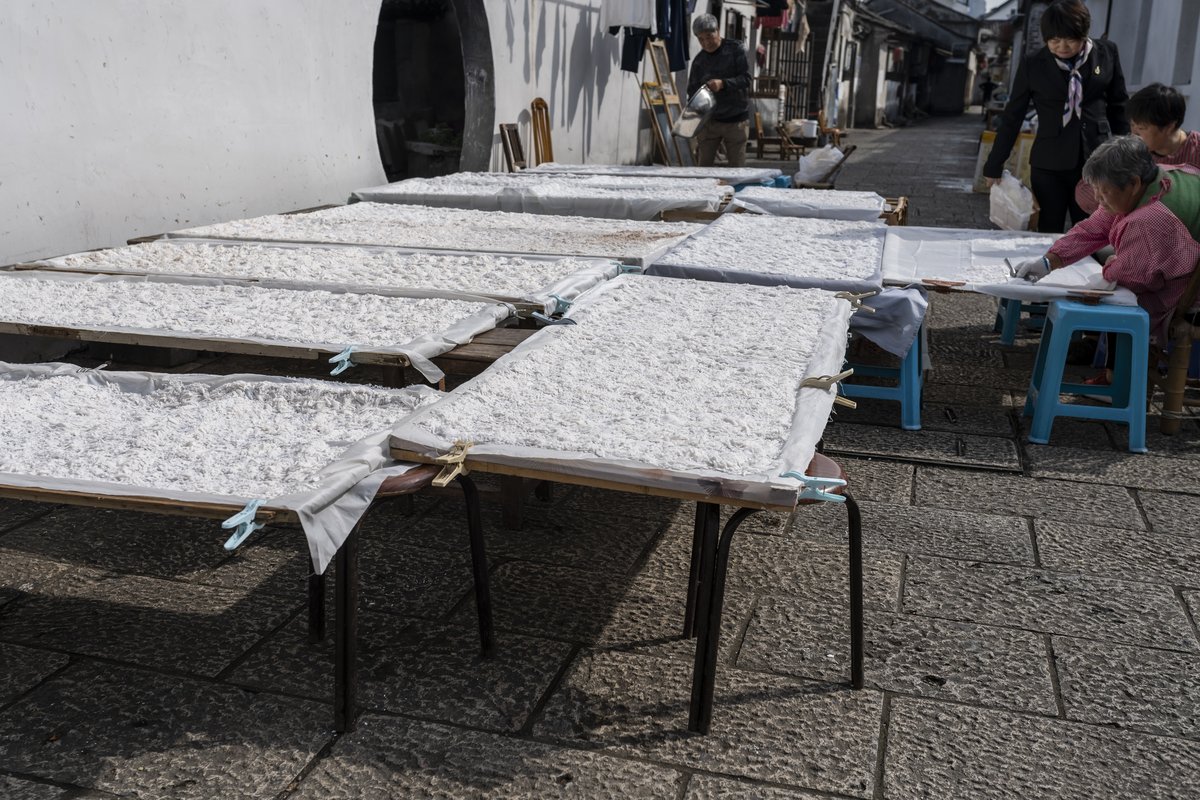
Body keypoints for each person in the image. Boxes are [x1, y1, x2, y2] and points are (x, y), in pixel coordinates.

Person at [1013, 136, 1200, 353]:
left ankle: (1119, 376)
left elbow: (1131, 276)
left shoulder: (1149, 222)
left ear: (1133, 183)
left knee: (1118, 299)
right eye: (1096, 191)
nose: (1098, 199)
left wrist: (1114, 265)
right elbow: (1093, 228)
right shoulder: (1155, 175)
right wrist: (1048, 261)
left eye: (1104, 193)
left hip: (1189, 297)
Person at [983, 0, 1128, 233]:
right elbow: (1013, 115)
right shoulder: (1033, 63)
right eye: (1054, 40)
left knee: (1093, 232)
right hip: (1049, 163)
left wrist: (1127, 158)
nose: (1062, 46)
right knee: (1049, 231)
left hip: (1097, 161)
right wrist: (994, 164)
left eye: (1069, 39)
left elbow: (1118, 107)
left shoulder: (1106, 53)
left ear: (1083, 34)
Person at [1076, 83, 1200, 213]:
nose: (1134, 134)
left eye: (1142, 128)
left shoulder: (1196, 150)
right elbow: (1084, 192)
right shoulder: (1129, 152)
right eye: (1132, 126)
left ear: (1169, 126)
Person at [686, 14, 751, 167]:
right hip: (709, 123)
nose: (706, 42)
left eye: (709, 36)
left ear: (718, 30)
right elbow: (692, 92)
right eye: (701, 39)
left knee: (737, 169)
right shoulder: (699, 61)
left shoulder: (736, 49)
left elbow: (746, 79)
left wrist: (723, 84)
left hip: (736, 121)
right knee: (704, 169)